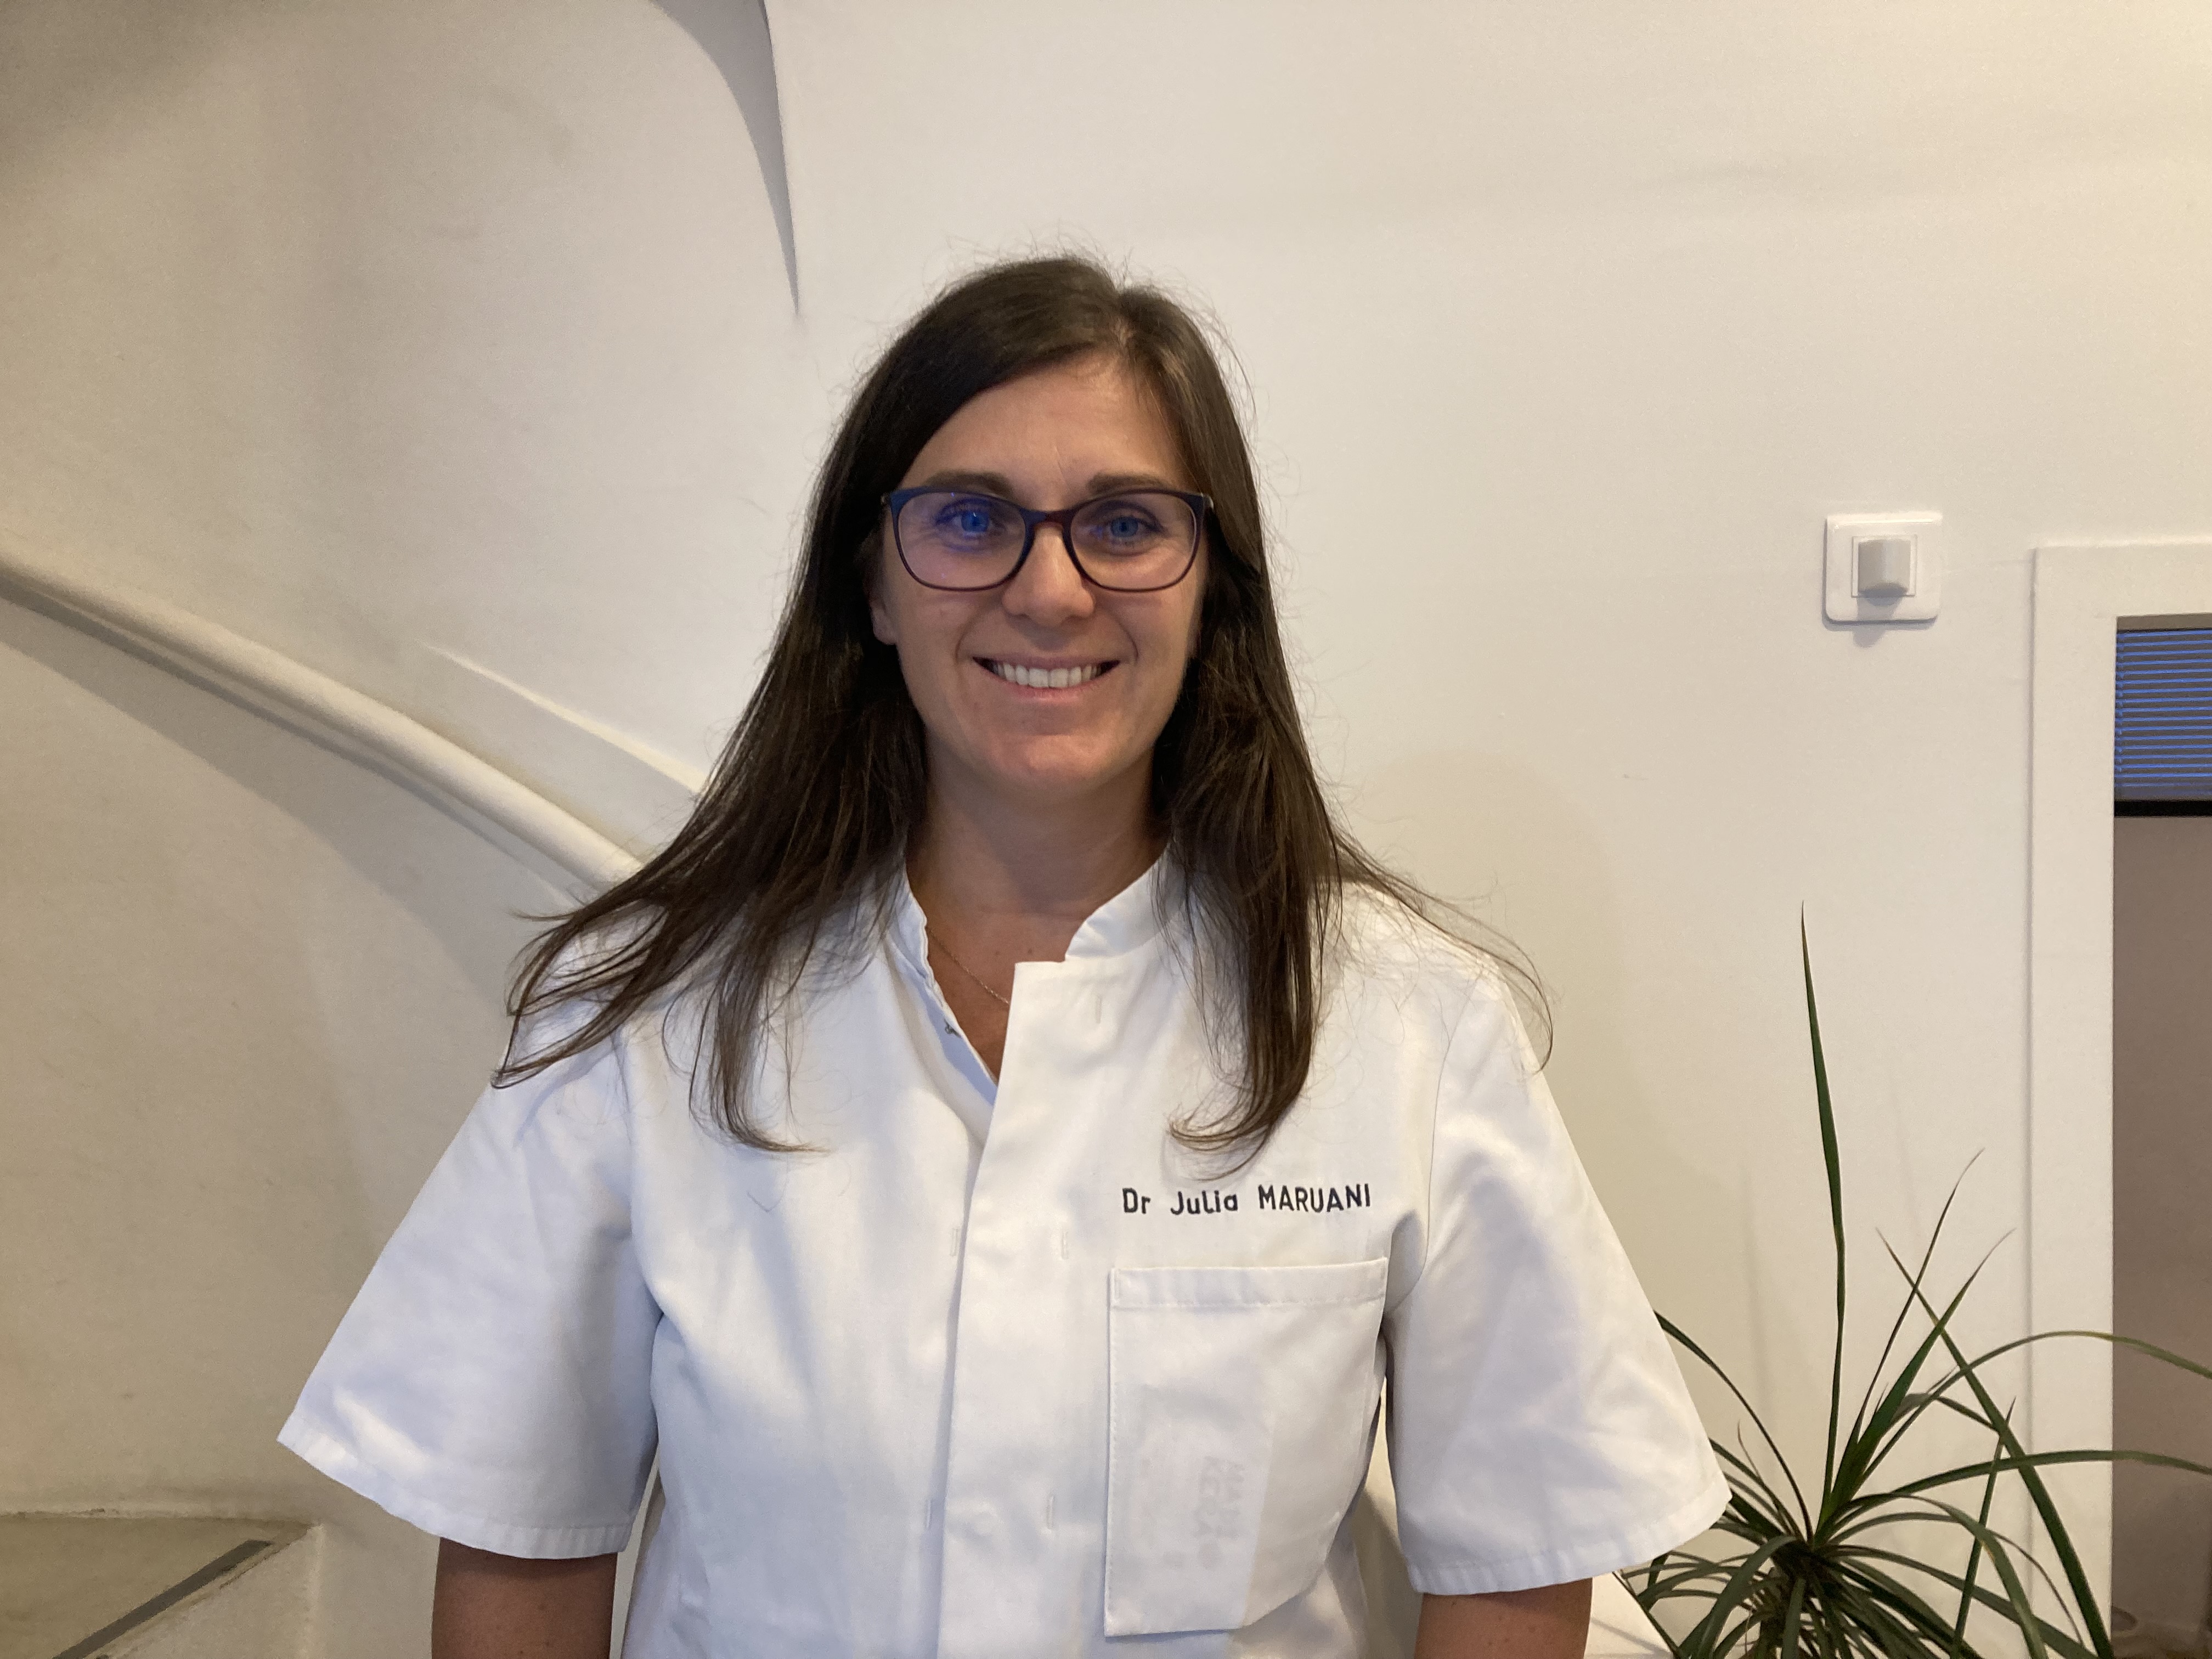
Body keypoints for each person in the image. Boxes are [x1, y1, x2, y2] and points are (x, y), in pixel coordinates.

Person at [280, 256, 1724, 1658]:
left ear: (1211, 586)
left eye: (1124, 523)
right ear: (873, 584)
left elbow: (1521, 1554)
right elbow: (524, 1534)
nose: (1050, 590)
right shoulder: (648, 1019)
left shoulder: (1405, 1026)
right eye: (970, 520)